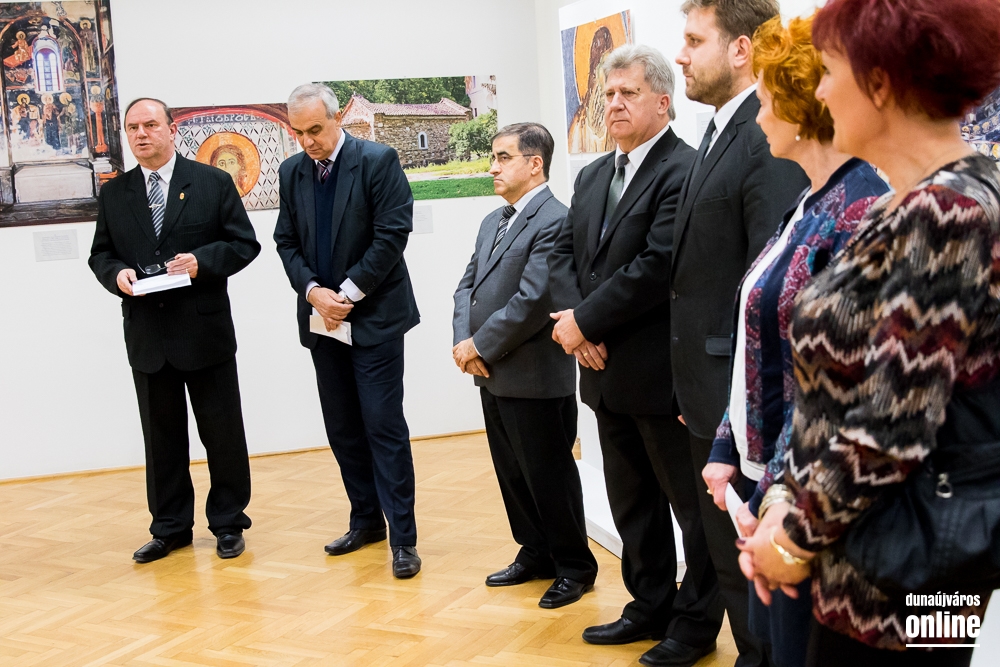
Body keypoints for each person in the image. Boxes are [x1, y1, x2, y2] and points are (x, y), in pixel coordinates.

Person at [736, 1, 1000, 666]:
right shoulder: (897, 206)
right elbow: (834, 396)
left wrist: (791, 537)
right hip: (861, 563)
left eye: (828, 72)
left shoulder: (950, 212)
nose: (819, 93)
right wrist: (782, 499)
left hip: (914, 584)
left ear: (879, 83)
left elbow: (892, 422)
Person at [702, 14, 889, 667]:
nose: (757, 117)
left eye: (763, 101)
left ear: (801, 105)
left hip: (809, 495)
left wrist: (778, 497)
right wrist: (727, 445)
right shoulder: (809, 204)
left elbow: (839, 381)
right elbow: (763, 342)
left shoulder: (861, 207)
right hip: (772, 482)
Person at [547, 44, 713, 667]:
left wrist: (585, 320)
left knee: (692, 512)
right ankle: (649, 605)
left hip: (661, 375)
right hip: (601, 370)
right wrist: (576, 327)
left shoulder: (685, 169)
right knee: (631, 504)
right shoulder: (592, 175)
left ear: (663, 102)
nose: (613, 104)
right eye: (608, 94)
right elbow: (564, 256)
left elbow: (657, 264)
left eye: (629, 93)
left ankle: (695, 625)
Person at [671, 2, 809, 665]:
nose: (680, 55)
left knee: (756, 580)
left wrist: (730, 400)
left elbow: (773, 292)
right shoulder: (718, 132)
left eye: (694, 40)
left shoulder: (763, 136)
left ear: (741, 49)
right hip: (714, 396)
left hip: (748, 403)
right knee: (733, 569)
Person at [88, 98, 260, 563]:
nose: (140, 134)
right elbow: (100, 254)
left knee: (222, 434)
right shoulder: (115, 193)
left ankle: (228, 522)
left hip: (204, 333)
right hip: (148, 337)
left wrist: (202, 261)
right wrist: (116, 274)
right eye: (132, 128)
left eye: (149, 125)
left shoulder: (212, 182)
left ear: (171, 130)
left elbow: (244, 244)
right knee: (161, 439)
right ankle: (169, 528)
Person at [273, 83, 422, 579]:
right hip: (323, 322)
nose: (308, 141)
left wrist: (347, 294)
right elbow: (285, 241)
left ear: (337, 119)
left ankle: (403, 539)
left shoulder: (378, 161)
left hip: (374, 318)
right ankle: (366, 521)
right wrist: (314, 292)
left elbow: (392, 234)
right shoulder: (292, 171)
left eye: (315, 129)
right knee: (342, 427)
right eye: (299, 132)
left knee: (383, 426)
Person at [452, 122, 598, 608]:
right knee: (512, 472)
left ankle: (574, 566)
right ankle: (535, 551)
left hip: (535, 374)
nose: (492, 167)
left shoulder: (555, 219)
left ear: (535, 164)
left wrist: (479, 346)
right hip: (492, 372)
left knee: (549, 476)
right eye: (493, 157)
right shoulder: (492, 221)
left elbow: (533, 300)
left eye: (503, 157)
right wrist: (463, 342)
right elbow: (466, 287)